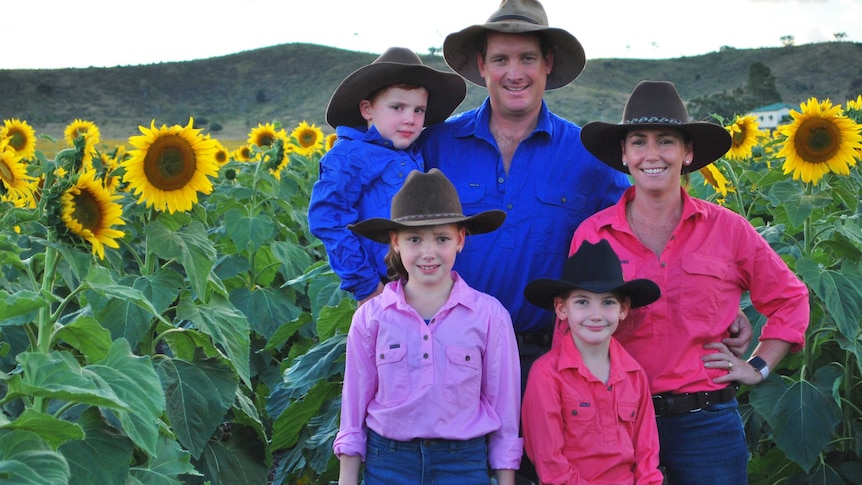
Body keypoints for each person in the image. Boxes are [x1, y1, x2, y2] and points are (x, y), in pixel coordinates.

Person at [568, 80, 810, 484]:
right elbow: (570, 332)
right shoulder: (593, 235)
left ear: (688, 153)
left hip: (707, 424)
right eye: (639, 142)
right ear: (624, 155)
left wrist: (758, 367)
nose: (652, 155)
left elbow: (790, 298)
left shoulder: (728, 229)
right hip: (618, 420)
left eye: (666, 141)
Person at [333, 168, 522, 485]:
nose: (428, 252)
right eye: (414, 239)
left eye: (442, 238)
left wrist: (505, 479)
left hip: (462, 464)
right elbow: (353, 408)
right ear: (395, 242)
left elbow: (504, 409)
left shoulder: (489, 316)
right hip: (389, 462)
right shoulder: (372, 317)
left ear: (461, 240)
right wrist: (347, 478)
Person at [309, 47, 467, 305]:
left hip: (418, 284)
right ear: (367, 110)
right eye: (397, 107)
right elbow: (327, 218)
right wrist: (366, 285)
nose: (410, 119)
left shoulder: (414, 151)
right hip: (380, 287)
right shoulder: (349, 156)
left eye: (418, 110)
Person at [522, 239, 664, 484]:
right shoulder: (547, 374)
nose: (596, 315)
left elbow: (647, 453)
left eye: (608, 302)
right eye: (582, 302)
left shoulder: (634, 374)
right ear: (561, 308)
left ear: (623, 309)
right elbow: (550, 462)